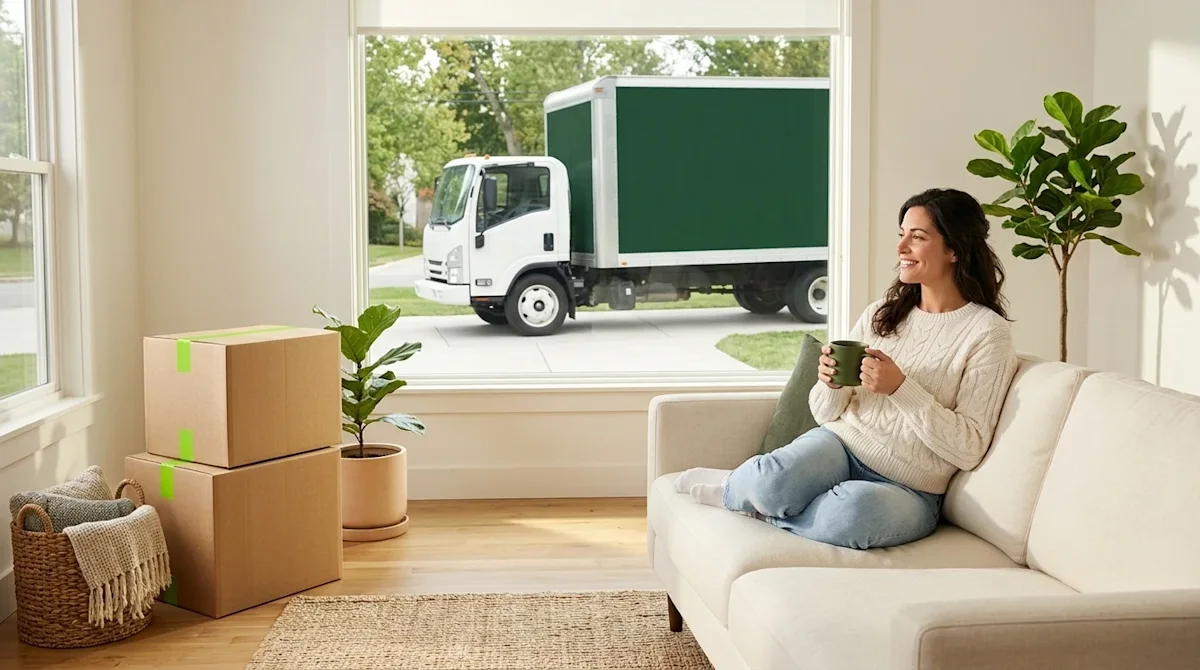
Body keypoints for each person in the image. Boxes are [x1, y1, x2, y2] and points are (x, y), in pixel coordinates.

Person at [674, 188, 1019, 549]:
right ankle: (745, 488)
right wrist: (830, 384)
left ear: (954, 250)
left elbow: (970, 447)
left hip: (911, 486)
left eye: (917, 237)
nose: (901, 248)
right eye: (901, 234)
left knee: (850, 516)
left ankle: (762, 507)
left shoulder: (987, 333)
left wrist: (901, 389)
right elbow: (825, 413)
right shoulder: (882, 313)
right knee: (773, 483)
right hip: (840, 444)